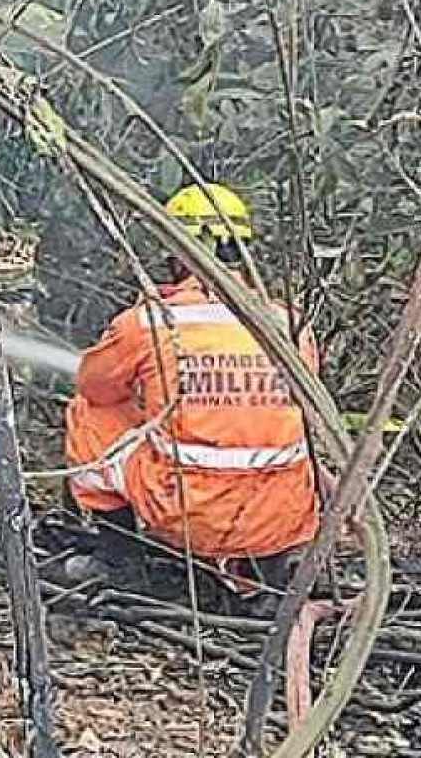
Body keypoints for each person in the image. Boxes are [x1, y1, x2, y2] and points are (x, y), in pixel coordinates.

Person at [61, 182, 323, 597]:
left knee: (88, 414)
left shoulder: (150, 321)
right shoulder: (289, 325)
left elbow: (93, 386)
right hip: (280, 521)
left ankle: (117, 558)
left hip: (189, 513)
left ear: (177, 251)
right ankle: (268, 568)